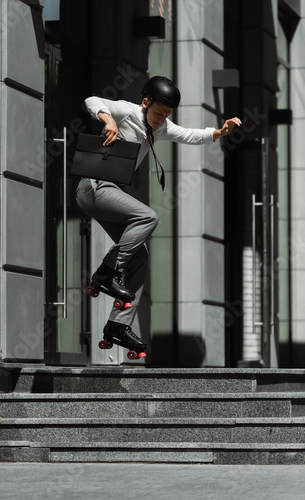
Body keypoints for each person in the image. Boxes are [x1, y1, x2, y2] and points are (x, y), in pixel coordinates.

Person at [76, 76, 241, 360]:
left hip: (109, 192)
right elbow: (92, 101)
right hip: (93, 186)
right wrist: (108, 120)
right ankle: (106, 272)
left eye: (166, 115)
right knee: (148, 216)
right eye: (157, 113)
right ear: (145, 102)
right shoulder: (127, 111)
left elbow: (188, 134)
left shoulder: (161, 126)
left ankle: (118, 325)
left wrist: (219, 132)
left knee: (139, 257)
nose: (161, 120)